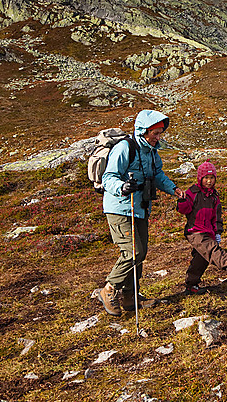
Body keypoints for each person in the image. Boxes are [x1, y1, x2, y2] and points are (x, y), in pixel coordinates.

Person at [98, 109, 178, 316]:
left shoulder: (152, 152)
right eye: (155, 133)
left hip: (140, 208)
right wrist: (122, 187)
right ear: (143, 130)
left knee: (141, 252)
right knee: (133, 252)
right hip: (120, 207)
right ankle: (109, 289)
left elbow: (158, 175)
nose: (158, 137)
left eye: (160, 133)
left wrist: (173, 189)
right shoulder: (125, 148)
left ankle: (130, 297)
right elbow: (109, 177)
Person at [177, 160, 227, 294]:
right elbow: (184, 209)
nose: (209, 181)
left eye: (211, 178)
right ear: (200, 178)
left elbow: (217, 215)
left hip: (208, 231)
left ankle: (192, 285)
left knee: (201, 259)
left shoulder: (214, 196)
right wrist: (182, 200)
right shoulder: (192, 192)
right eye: (206, 178)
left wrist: (218, 232)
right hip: (195, 231)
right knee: (211, 249)